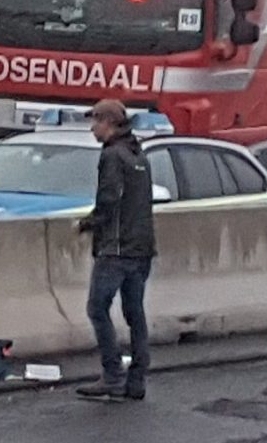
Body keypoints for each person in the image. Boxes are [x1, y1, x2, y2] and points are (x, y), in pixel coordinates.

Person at [75, 99, 157, 402]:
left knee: (97, 308)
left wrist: (88, 223)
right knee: (134, 312)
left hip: (117, 249)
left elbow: (109, 199)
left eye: (95, 122)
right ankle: (136, 380)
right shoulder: (139, 155)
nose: (92, 128)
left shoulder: (112, 156)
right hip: (142, 249)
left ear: (108, 122)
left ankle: (112, 375)